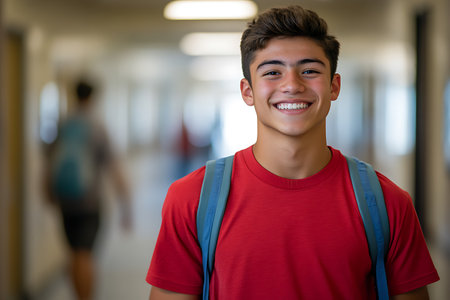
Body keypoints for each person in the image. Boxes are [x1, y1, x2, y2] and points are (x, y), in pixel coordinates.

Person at [146, 5, 439, 300]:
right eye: (273, 72)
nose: (292, 85)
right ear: (247, 91)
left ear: (334, 86)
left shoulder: (388, 204)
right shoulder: (192, 199)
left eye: (309, 71)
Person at [44, 80, 132, 300]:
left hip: (66, 200)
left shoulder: (64, 123)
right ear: (93, 97)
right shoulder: (97, 125)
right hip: (89, 201)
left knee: (74, 253)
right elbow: (113, 166)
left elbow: (49, 160)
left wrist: (48, 191)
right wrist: (126, 204)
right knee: (85, 255)